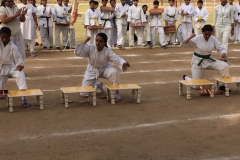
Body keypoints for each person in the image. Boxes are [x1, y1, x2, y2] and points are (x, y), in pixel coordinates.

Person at [74, 33, 130, 101]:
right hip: (91, 70)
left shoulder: (107, 51)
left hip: (104, 69)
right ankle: (97, 85)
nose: (98, 43)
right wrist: (84, 41)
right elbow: (77, 52)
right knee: (83, 93)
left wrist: (123, 62)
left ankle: (115, 94)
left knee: (114, 72)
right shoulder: (90, 47)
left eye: (100, 41)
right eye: (96, 40)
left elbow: (116, 58)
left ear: (105, 42)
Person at [182, 25, 230, 92]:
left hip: (209, 60)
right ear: (202, 32)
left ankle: (223, 85)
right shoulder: (197, 38)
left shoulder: (213, 38)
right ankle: (186, 78)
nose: (207, 36)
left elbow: (221, 48)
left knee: (225, 66)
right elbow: (184, 45)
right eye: (206, 34)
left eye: (209, 34)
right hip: (198, 62)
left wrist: (223, 54)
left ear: (212, 33)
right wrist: (190, 37)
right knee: (196, 86)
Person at [0, 27, 30, 106]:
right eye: (2, 37)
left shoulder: (13, 46)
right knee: (0, 86)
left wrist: (20, 65)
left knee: (20, 74)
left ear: (10, 36)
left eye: (6, 38)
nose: (4, 39)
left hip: (10, 66)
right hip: (0, 67)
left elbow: (18, 58)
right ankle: (3, 93)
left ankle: (24, 97)